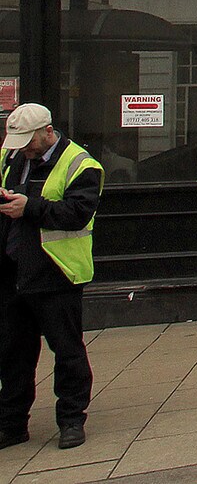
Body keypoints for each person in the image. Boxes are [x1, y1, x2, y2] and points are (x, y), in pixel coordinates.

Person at [0, 102, 100, 451]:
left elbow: (76, 213)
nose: (24, 148)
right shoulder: (12, 157)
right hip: (14, 271)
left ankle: (72, 420)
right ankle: (12, 424)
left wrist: (29, 206)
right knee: (13, 352)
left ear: (48, 131)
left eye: (29, 141)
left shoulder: (81, 164)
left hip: (57, 272)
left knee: (67, 350)